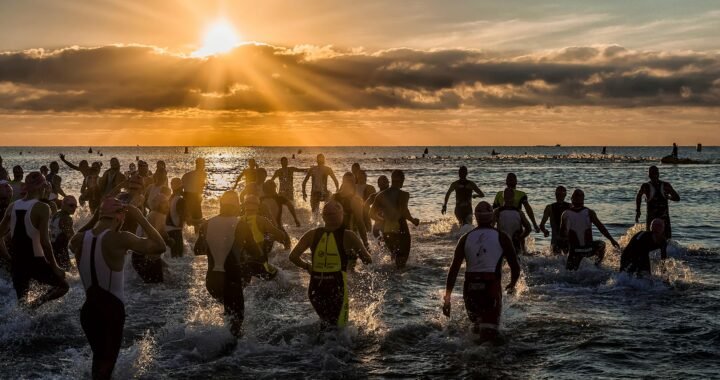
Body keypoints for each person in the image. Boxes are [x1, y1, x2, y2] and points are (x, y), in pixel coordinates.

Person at [70, 198, 166, 380]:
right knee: (106, 367)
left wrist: (96, 218)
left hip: (88, 311)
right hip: (111, 311)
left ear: (100, 215)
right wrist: (140, 217)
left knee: (98, 362)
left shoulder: (78, 239)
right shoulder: (122, 238)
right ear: (119, 217)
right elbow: (159, 246)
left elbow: (82, 236)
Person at [194, 191, 276, 337]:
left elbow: (198, 250)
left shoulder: (206, 224)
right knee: (236, 323)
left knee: (229, 313)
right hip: (231, 279)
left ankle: (218, 342)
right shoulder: (241, 224)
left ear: (221, 204)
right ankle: (231, 352)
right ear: (237, 205)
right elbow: (256, 253)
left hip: (211, 282)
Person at [443, 201, 520, 341]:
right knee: (490, 336)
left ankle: (471, 360)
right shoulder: (502, 237)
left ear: (476, 218)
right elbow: (515, 267)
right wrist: (513, 284)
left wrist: (447, 299)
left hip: (470, 289)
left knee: (476, 330)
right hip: (491, 287)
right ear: (493, 217)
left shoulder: (465, 238)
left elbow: (453, 270)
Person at [289, 201, 372, 329]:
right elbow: (367, 260)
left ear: (323, 216)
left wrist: (307, 266)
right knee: (339, 329)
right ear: (341, 215)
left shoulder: (311, 234)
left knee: (326, 324)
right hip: (336, 287)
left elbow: (293, 257)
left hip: (315, 288)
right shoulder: (348, 235)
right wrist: (353, 254)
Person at [0, 172, 69, 308]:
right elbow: (45, 242)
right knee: (63, 286)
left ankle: (21, 322)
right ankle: (36, 305)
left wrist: (8, 257)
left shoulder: (13, 206)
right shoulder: (43, 208)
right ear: (43, 187)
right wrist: (55, 267)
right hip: (36, 261)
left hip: (17, 262)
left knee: (22, 303)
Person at [369, 170, 420, 269]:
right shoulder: (404, 194)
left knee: (394, 256)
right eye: (403, 179)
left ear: (392, 180)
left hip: (386, 229)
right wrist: (414, 221)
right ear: (402, 180)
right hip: (400, 227)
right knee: (402, 261)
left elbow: (370, 213)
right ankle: (400, 282)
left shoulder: (380, 195)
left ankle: (394, 281)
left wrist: (382, 220)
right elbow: (404, 211)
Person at [560, 189, 619, 271]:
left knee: (569, 275)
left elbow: (562, 235)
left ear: (571, 199)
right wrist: (612, 240)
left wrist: (565, 250)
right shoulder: (589, 212)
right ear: (583, 200)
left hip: (575, 252)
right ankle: (597, 266)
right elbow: (601, 228)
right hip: (588, 250)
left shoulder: (565, 214)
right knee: (602, 244)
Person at [635, 166, 679, 244]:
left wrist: (638, 211)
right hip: (664, 219)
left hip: (652, 220)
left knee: (650, 241)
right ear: (658, 174)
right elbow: (677, 198)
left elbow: (638, 197)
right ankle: (667, 255)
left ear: (649, 175)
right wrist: (668, 197)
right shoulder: (666, 185)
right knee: (667, 241)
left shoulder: (646, 186)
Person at [131, 193, 169, 283]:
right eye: (164, 203)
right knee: (157, 286)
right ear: (158, 204)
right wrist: (154, 260)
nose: (168, 205)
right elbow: (153, 238)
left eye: (168, 202)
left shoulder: (153, 214)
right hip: (145, 256)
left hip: (138, 256)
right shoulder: (157, 215)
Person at [242, 195, 289, 259]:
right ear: (258, 206)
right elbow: (280, 235)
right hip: (259, 256)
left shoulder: (239, 219)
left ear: (244, 206)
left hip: (244, 255)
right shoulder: (261, 220)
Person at [331, 172, 368, 250]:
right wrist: (366, 243)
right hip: (350, 237)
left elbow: (328, 218)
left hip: (335, 235)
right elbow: (360, 222)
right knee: (350, 260)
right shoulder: (356, 200)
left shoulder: (334, 197)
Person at [494, 188, 531, 255]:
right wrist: (520, 237)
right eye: (506, 195)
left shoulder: (498, 211)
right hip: (505, 242)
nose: (508, 198)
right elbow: (528, 228)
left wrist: (520, 237)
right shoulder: (498, 211)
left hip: (510, 242)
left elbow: (528, 228)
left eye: (509, 195)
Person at [539, 186, 571, 254]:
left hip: (555, 241)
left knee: (555, 261)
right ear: (565, 195)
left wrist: (545, 232)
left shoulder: (549, 208)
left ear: (555, 195)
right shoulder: (571, 207)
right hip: (568, 240)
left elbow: (542, 225)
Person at [50, 196, 77, 271]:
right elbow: (72, 238)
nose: (74, 208)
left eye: (75, 206)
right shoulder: (66, 219)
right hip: (61, 252)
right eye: (71, 205)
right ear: (63, 204)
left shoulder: (56, 215)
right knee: (69, 273)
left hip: (52, 250)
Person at [182, 157, 207, 230]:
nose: (204, 166)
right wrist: (199, 199)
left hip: (185, 196)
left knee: (186, 219)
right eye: (203, 164)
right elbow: (200, 188)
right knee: (198, 221)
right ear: (202, 165)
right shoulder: (203, 174)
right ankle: (198, 238)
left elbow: (182, 187)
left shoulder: (186, 174)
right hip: (194, 196)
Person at [364, 175, 389, 239]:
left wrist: (371, 215)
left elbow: (365, 205)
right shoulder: (392, 195)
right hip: (383, 225)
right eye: (385, 182)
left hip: (377, 225)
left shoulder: (374, 196)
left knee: (381, 241)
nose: (387, 183)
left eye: (386, 181)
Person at [165, 178, 186, 258]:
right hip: (176, 232)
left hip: (167, 230)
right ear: (181, 188)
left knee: (172, 258)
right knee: (179, 257)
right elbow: (184, 217)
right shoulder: (181, 200)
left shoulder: (170, 198)